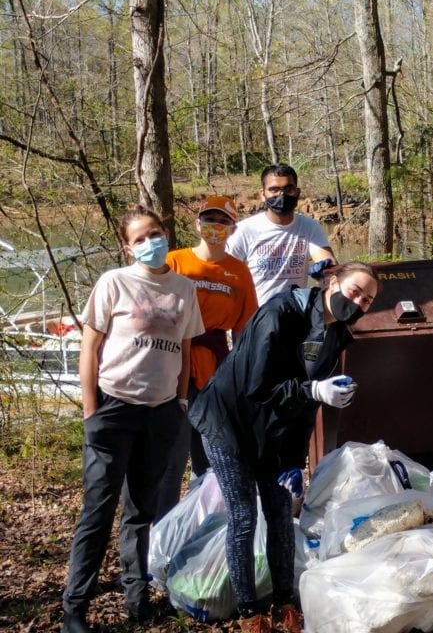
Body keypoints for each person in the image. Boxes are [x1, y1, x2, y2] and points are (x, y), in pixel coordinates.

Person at [189, 260, 378, 633]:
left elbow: (306, 408)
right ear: (331, 281)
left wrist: (293, 461)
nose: (357, 302)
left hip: (270, 434)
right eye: (354, 291)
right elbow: (256, 387)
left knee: (279, 512)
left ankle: (284, 601)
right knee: (243, 516)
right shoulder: (281, 313)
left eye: (368, 301)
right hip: (228, 423)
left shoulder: (336, 334)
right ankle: (249, 612)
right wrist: (312, 389)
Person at [61, 206, 204, 633]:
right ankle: (75, 606)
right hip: (114, 408)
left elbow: (183, 349)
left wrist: (179, 403)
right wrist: (91, 409)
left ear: (166, 235)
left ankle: (136, 598)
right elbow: (90, 348)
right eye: (139, 239)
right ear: (128, 246)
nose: (149, 243)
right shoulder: (114, 282)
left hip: (160, 414)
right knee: (99, 510)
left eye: (154, 234)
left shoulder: (183, 288)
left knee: (141, 511)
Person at [155, 195, 259, 519]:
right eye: (209, 220)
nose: (215, 227)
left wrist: (241, 380)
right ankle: (162, 534)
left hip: (216, 370)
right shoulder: (175, 261)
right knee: (171, 457)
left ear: (233, 227)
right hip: (172, 367)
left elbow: (245, 330)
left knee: (211, 457)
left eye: (223, 221)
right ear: (197, 223)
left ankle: (203, 531)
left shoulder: (238, 272)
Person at [227, 163, 335, 304]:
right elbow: (225, 274)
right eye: (274, 189)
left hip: (295, 313)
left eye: (288, 189)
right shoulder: (244, 230)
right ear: (263, 194)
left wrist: (325, 273)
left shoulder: (309, 227)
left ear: (297, 192)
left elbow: (327, 263)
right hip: (255, 315)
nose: (281, 195)